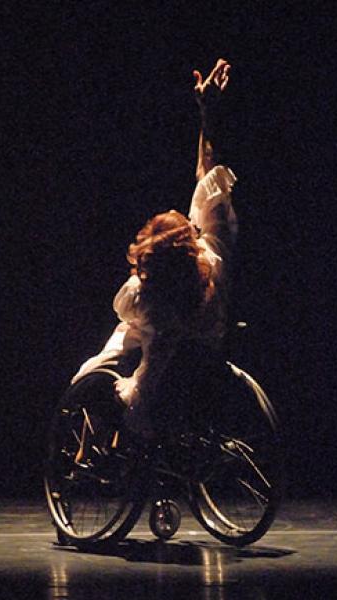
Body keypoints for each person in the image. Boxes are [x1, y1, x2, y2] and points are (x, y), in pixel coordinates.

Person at [71, 58, 237, 437]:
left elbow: (129, 317)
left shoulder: (146, 299)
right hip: (201, 362)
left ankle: (98, 435)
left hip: (157, 379)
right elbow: (209, 179)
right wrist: (209, 114)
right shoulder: (214, 260)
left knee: (90, 376)